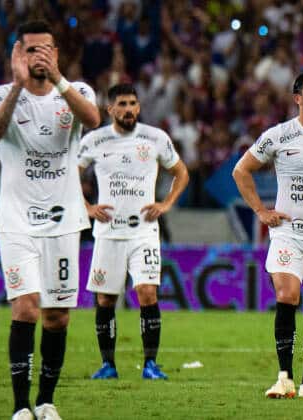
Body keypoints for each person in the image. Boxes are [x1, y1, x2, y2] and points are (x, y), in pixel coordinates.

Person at [0, 20, 100, 420]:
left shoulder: (76, 91)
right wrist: (17, 86)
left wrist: (59, 79)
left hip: (65, 222)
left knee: (57, 315)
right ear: (18, 54)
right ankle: (20, 407)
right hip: (16, 222)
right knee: (26, 308)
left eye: (46, 49)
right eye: (31, 50)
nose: (39, 56)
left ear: (57, 53)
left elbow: (94, 119)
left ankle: (47, 401)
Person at [232, 71, 303, 400]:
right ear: (298, 98)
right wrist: (261, 211)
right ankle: (284, 377)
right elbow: (241, 170)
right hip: (287, 232)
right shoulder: (279, 135)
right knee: (288, 294)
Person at [78, 83, 189, 381]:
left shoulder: (155, 138)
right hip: (108, 232)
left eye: (132, 104)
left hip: (143, 231)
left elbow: (181, 173)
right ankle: (108, 365)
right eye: (122, 104)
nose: (128, 109)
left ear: (139, 107)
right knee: (105, 300)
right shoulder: (94, 140)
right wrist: (86, 207)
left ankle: (150, 364)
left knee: (147, 293)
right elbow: (69, 174)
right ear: (109, 109)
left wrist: (166, 204)